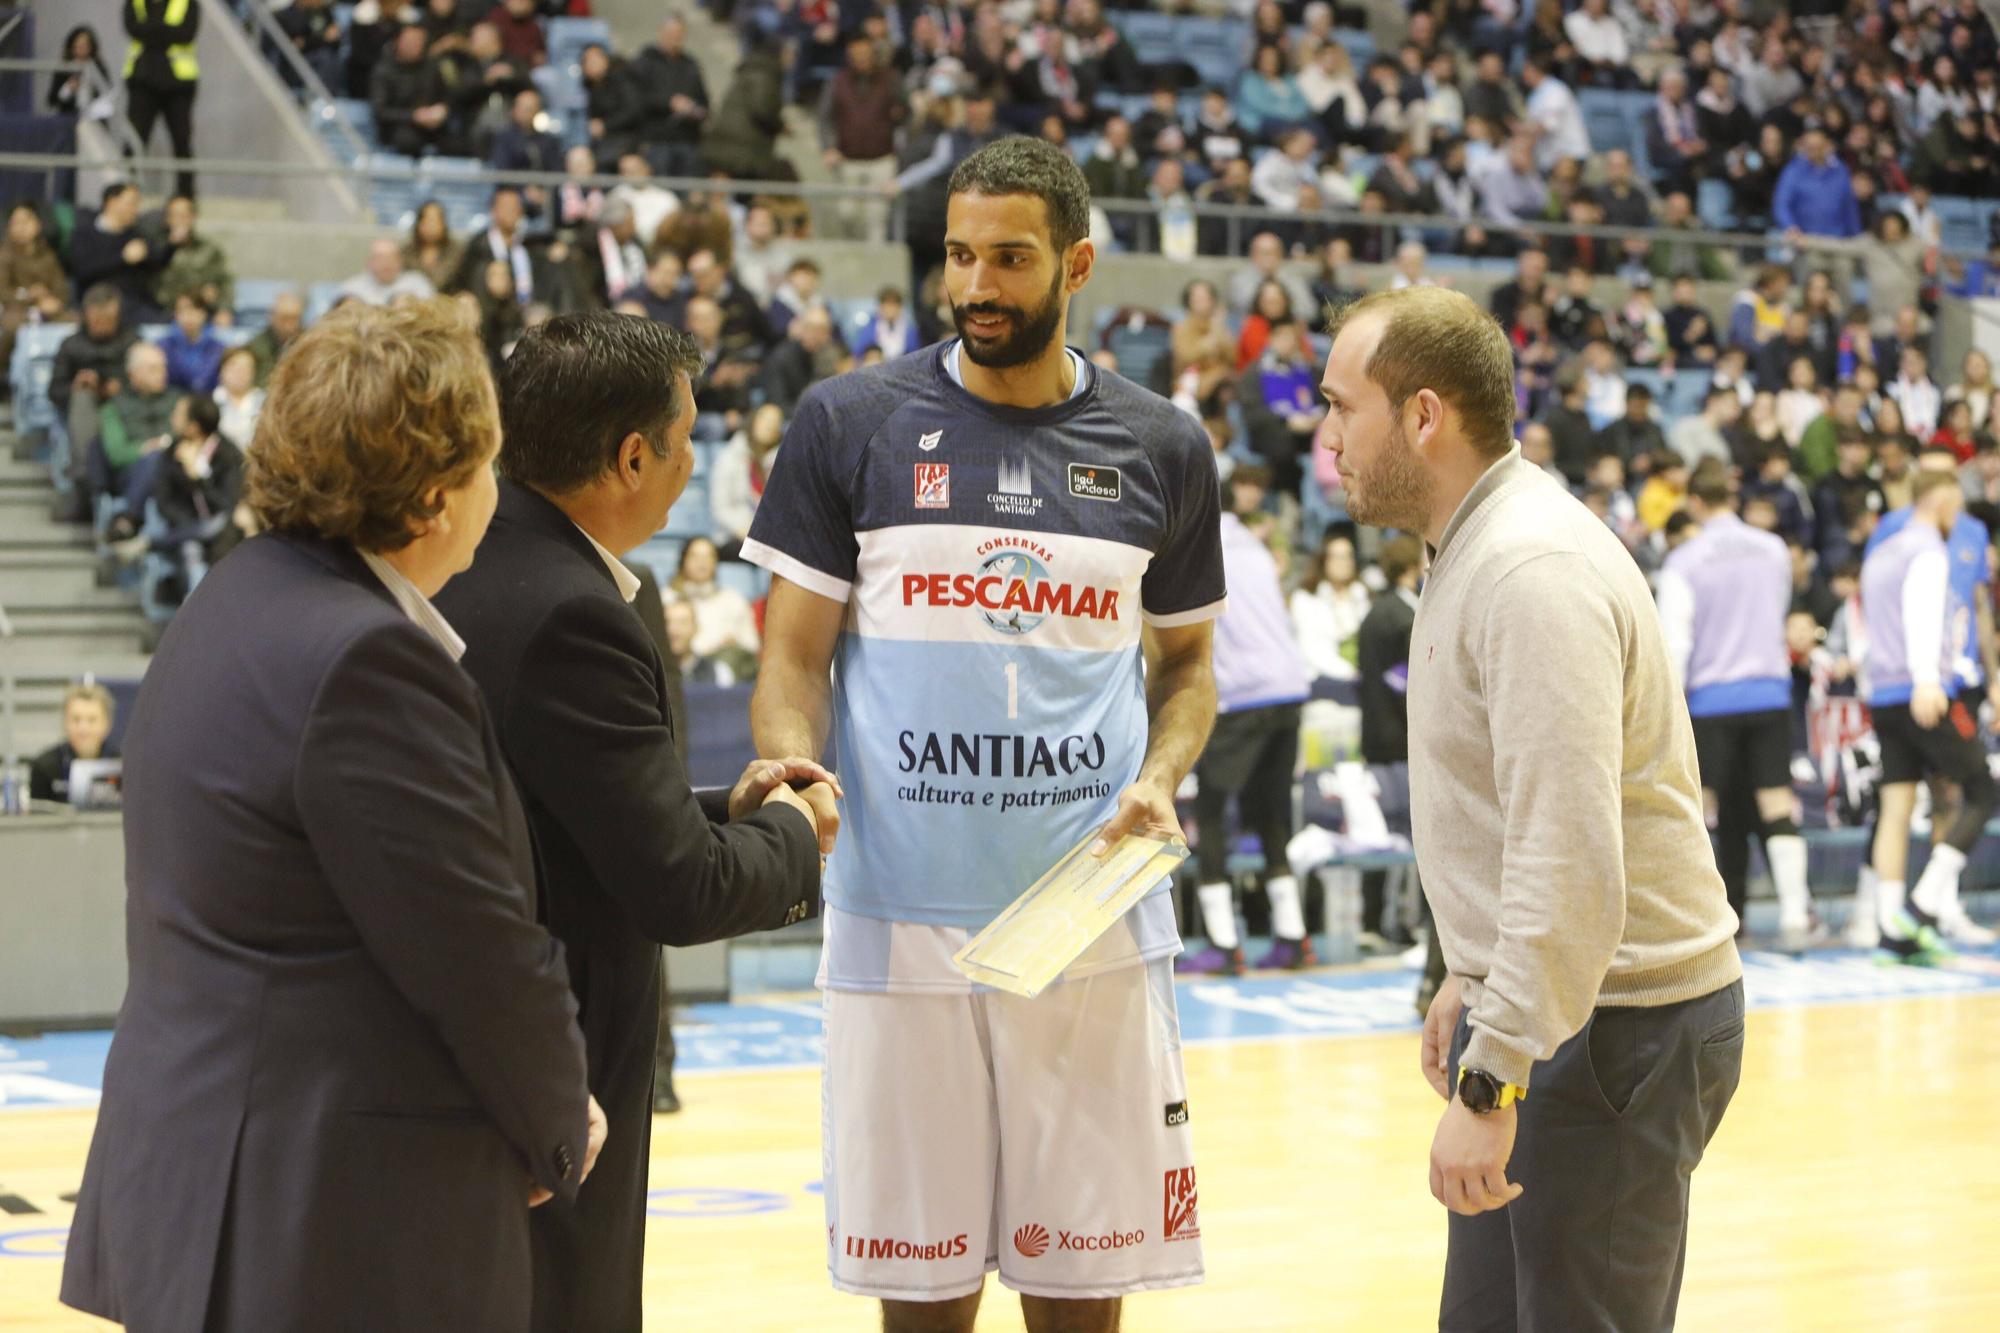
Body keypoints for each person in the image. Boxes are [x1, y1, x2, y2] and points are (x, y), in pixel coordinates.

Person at [745, 137, 1221, 1332]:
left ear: (1077, 264)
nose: (974, 287)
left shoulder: (1162, 446)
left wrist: (1162, 775)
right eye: (959, 256)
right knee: (921, 1300)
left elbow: (1188, 669)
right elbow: (792, 657)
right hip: (896, 922)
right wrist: (795, 771)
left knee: (1078, 1299)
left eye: (1008, 259)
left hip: (1088, 922)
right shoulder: (847, 423)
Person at [61, 299, 602, 1332]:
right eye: (492, 459)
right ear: (438, 497)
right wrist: (552, 1124)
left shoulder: (231, 595)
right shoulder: (368, 658)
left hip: (199, 1175)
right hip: (324, 1217)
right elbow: (478, 953)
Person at [1318, 286, 1744, 1329]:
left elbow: (1567, 853)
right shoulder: (1469, 542)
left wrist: (1488, 1078)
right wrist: (1472, 976)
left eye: (1340, 406)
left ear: (1421, 416)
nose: (1324, 434)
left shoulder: (1526, 568)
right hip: (1559, 1011)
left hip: (1613, 1032)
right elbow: (1503, 816)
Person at [430, 312, 827, 1333]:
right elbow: (675, 887)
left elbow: (553, 805)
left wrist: (717, 809)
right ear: (632, 454)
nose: (693, 460)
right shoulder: (574, 610)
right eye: (686, 437)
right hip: (554, 1061)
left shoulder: (477, 558)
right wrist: (792, 832)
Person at [1657, 469, 1818, 948]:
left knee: (1703, 806)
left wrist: (1671, 707)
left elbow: (1675, 641)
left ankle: (1702, 917)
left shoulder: (1684, 560)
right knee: (1775, 803)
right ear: (1731, 496)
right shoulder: (1772, 549)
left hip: (1711, 701)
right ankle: (1794, 912)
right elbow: (1780, 608)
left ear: (1694, 503)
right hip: (1768, 692)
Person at [1858, 447, 2000, 947]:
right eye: (1955, 505)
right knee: (1983, 790)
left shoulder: (1881, 551)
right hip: (1925, 690)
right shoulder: (1927, 550)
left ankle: (1889, 926)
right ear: (1940, 499)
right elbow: (1922, 615)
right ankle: (1922, 907)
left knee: (1896, 805)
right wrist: (1926, 679)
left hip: (1884, 692)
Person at [1182, 464, 1316, 975]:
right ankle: (1294, 936)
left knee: (1211, 814)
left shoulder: (1199, 546)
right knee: (1271, 815)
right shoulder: (1252, 546)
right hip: (1289, 687)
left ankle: (1222, 943)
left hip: (1244, 695)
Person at [123, 0, 201, 198]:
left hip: (178, 85)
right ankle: (127, 193)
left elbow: (186, 33)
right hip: (143, 81)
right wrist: (166, 31)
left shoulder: (186, 3)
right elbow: (132, 28)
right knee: (135, 140)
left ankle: (185, 196)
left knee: (181, 141)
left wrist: (151, 30)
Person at [28, 684, 119, 805]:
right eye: (76, 719)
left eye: (92, 720)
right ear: (65, 722)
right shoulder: (44, 767)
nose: (83, 729)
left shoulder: (123, 765)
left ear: (107, 724)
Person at [158, 292, 225, 395]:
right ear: (175, 314)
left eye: (193, 310)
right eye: (182, 311)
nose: (188, 316)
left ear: (204, 313)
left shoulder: (218, 348)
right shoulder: (162, 347)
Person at [343, 237, 437, 306]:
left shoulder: (418, 283)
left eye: (391, 258)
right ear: (369, 262)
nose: (386, 264)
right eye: (380, 258)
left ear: (400, 261)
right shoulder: (352, 288)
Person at [403, 201, 466, 294]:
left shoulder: (457, 252)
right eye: (427, 220)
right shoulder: (406, 253)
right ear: (418, 224)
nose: (431, 226)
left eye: (435, 220)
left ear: (443, 224)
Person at [246, 289, 305, 387]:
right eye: (284, 319)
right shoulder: (255, 347)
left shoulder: (308, 344)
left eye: (294, 319)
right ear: (271, 317)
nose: (289, 326)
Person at [213, 344, 264, 449]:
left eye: (245, 368)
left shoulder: (265, 402)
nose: (239, 373)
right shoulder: (210, 402)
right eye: (234, 367)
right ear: (221, 370)